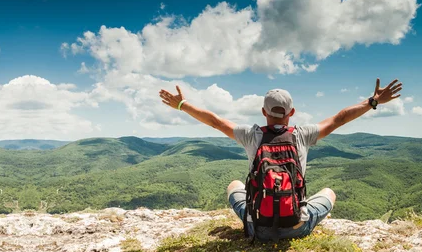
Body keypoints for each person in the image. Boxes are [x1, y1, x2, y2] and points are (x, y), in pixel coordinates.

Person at [159, 78, 402, 241]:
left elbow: (215, 121)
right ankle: (299, 218)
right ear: (292, 113)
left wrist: (182, 104)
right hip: (297, 226)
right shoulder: (303, 134)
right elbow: (339, 118)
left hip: (258, 229)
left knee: (234, 185)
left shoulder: (250, 135)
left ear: (264, 112)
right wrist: (373, 102)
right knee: (328, 191)